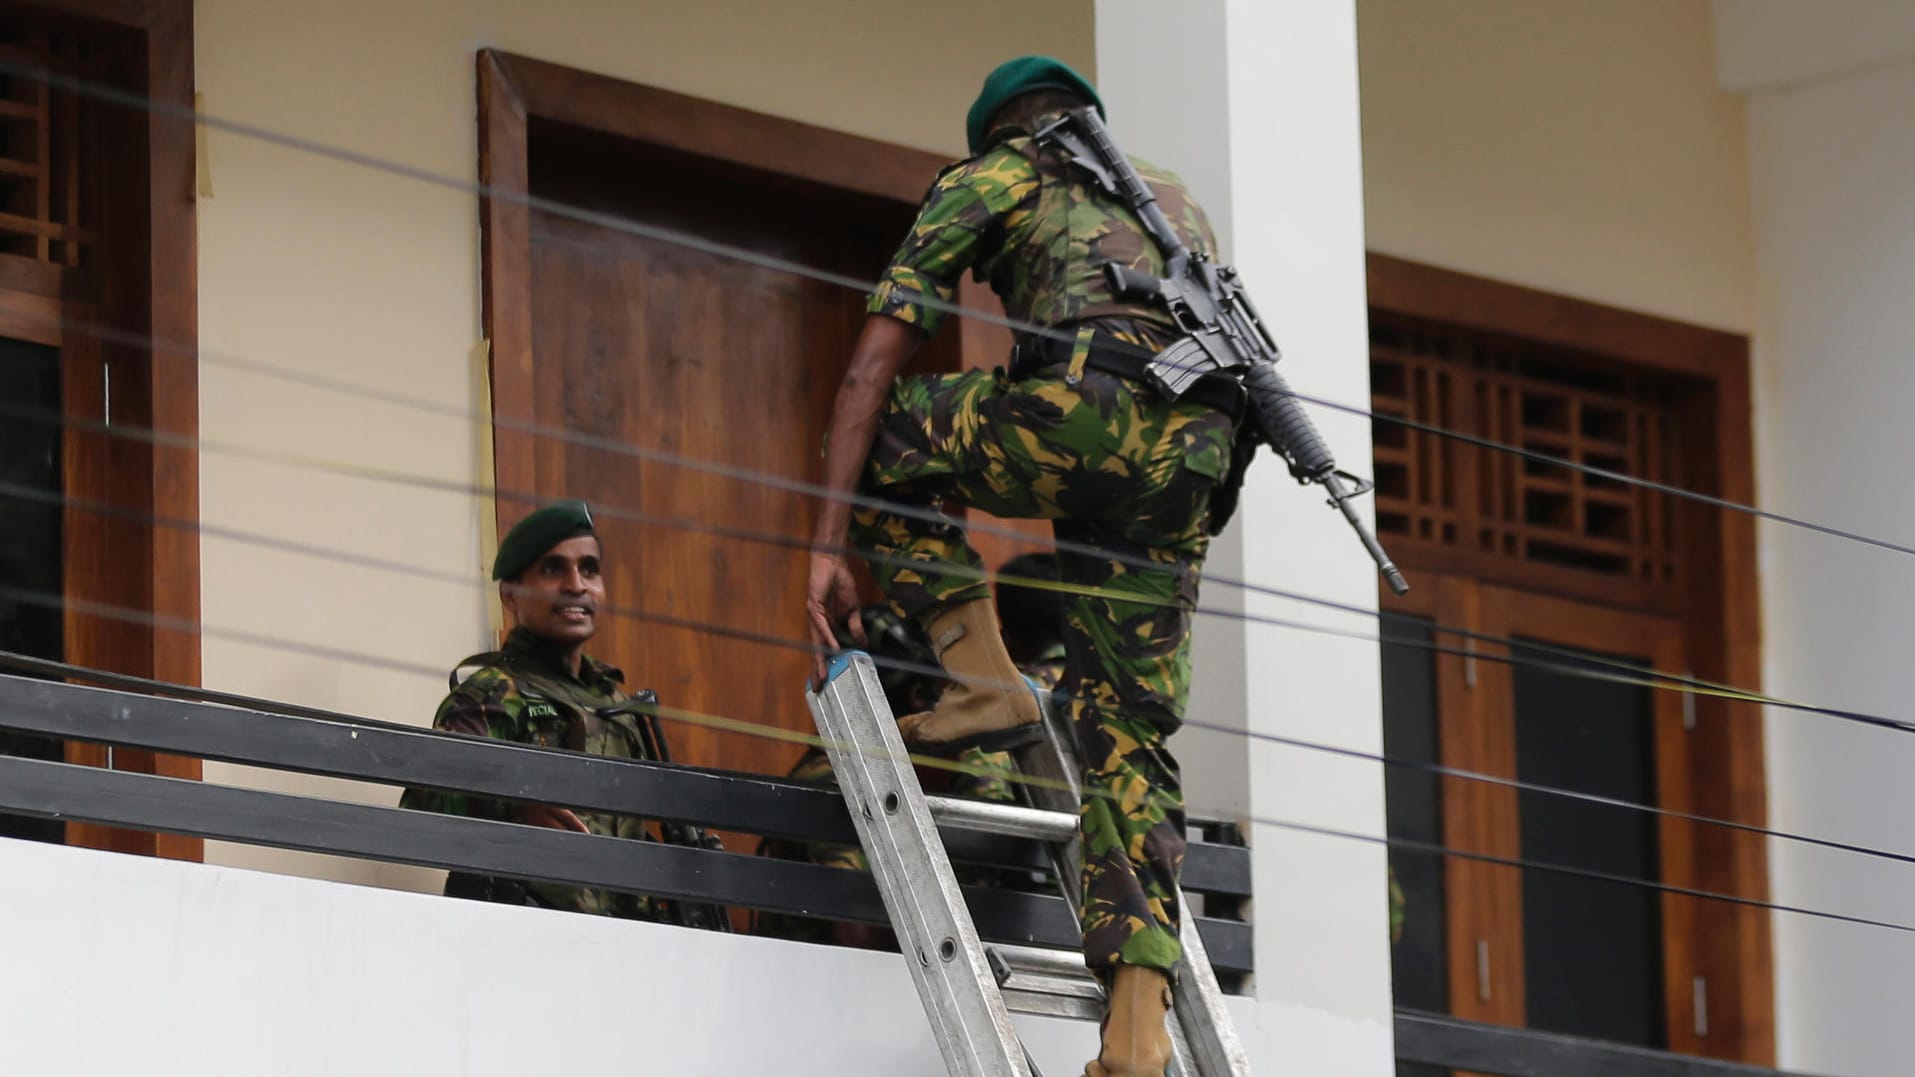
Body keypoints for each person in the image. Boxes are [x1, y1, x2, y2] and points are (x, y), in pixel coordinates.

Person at [804, 56, 1238, 1076]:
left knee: (896, 434)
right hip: (1193, 464)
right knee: (1126, 738)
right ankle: (1133, 1037)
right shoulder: (1170, 198)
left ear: (1001, 128)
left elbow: (876, 362)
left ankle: (982, 677)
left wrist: (827, 543)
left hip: (1087, 421)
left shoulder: (994, 175)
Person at [401, 499, 679, 918]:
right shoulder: (491, 694)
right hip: (515, 940)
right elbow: (424, 811)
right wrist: (512, 811)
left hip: (622, 945)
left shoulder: (619, 707)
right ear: (511, 595)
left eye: (589, 569)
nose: (576, 585)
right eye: (553, 569)